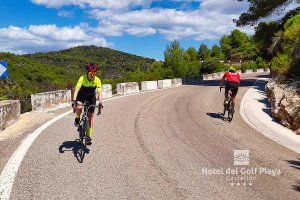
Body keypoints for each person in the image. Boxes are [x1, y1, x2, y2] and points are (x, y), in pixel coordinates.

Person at [72, 63, 103, 145]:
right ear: (87, 73)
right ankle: (77, 118)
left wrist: (100, 102)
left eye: (94, 73)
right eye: (90, 73)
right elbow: (76, 90)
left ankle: (89, 136)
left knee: (91, 116)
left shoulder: (97, 80)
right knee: (79, 107)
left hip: (91, 97)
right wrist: (74, 100)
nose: (92, 75)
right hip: (81, 95)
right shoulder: (82, 78)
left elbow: (99, 92)